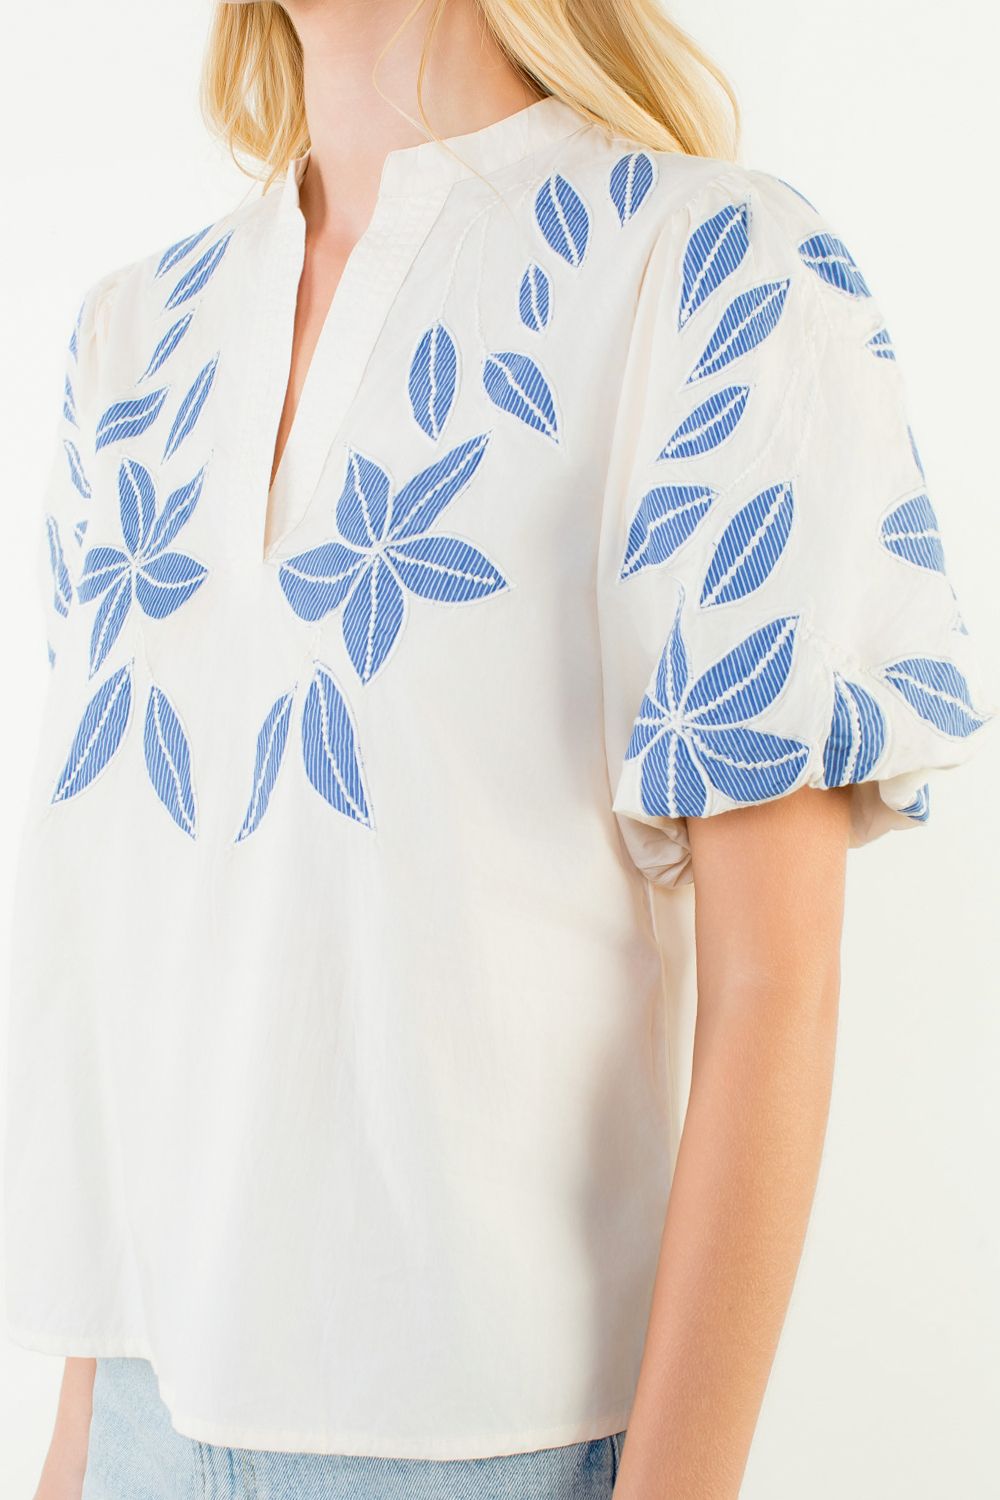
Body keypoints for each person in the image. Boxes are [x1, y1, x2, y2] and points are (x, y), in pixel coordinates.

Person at [7, 2, 993, 1498]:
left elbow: (775, 990)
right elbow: (141, 959)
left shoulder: (708, 270)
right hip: (143, 1425)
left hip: (494, 1447)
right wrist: (75, 1455)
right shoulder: (129, 337)